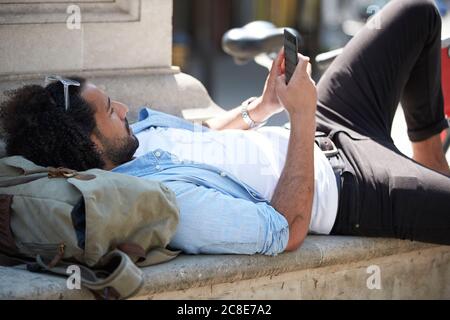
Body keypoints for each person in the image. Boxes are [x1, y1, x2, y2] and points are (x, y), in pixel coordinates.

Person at [1, 0, 449, 255]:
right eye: (106, 110)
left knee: (416, 14)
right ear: (89, 143)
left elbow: (206, 136)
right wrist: (301, 114)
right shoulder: (162, 200)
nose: (121, 106)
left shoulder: (138, 139)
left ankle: (430, 160)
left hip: (326, 125)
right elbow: (283, 230)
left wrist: (266, 105)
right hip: (350, 189)